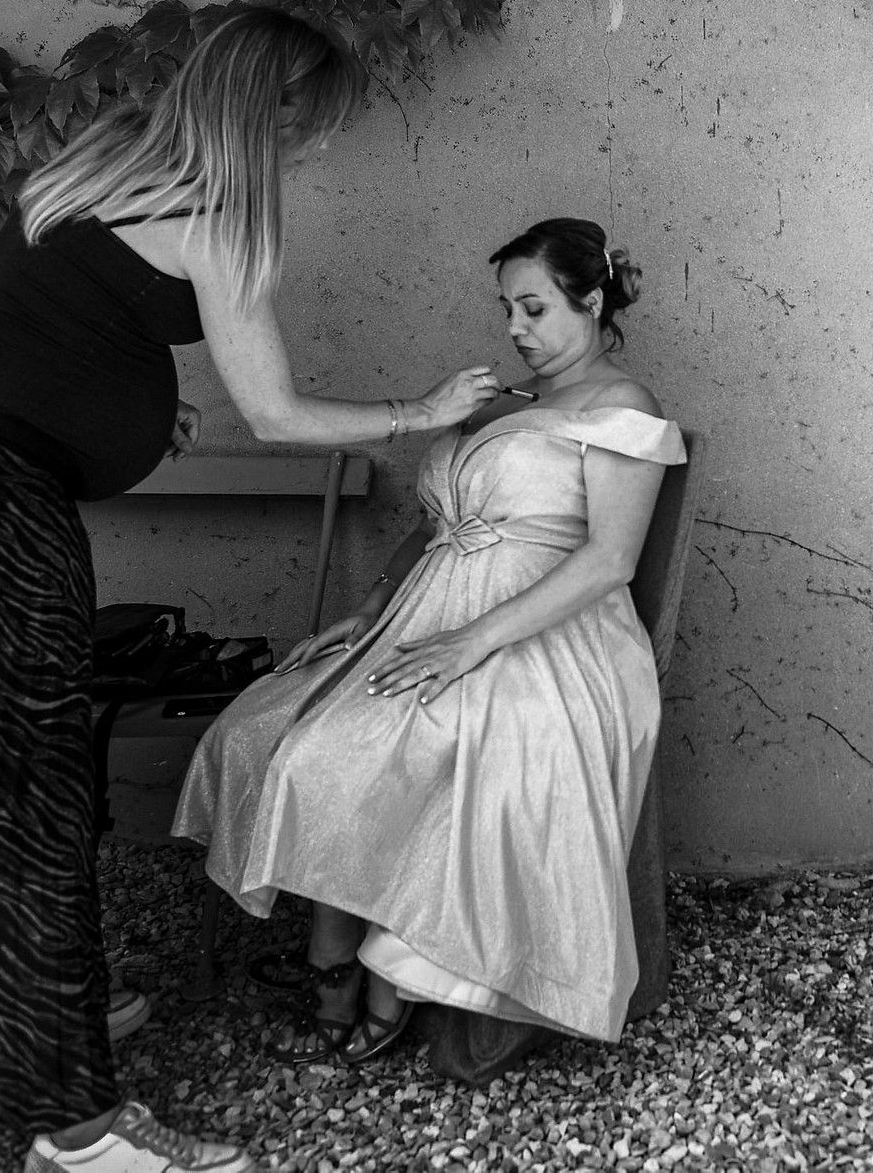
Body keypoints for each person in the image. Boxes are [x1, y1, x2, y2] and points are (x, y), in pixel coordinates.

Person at [0, 8, 503, 1173]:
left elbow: (46, 321)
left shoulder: (106, 160)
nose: (321, 150)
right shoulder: (220, 223)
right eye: (316, 126)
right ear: (272, 112)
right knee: (15, 784)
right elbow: (280, 416)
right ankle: (74, 1127)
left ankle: (2, 1029)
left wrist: (123, 399)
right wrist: (418, 412)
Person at [173, 218, 682, 1072]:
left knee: (362, 747)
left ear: (590, 303)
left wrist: (470, 645)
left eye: (534, 308)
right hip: (424, 616)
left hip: (547, 637)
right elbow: (437, 525)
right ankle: (340, 957)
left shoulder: (621, 408)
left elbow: (608, 562)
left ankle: (371, 976)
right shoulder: (506, 403)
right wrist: (370, 609)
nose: (515, 328)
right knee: (283, 731)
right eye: (506, 309)